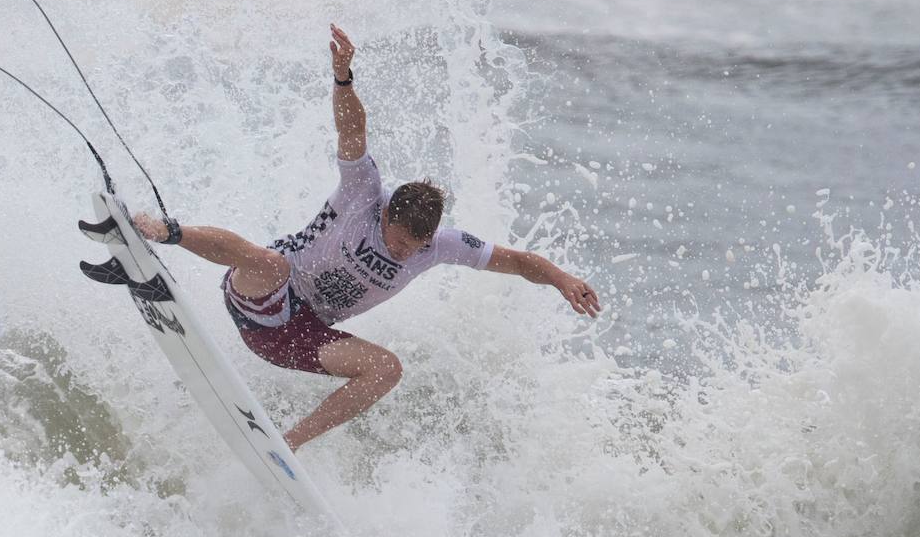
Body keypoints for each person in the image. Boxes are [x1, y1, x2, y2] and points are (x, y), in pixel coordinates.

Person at [135, 24, 600, 451]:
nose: (403, 253)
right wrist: (343, 78)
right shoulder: (364, 192)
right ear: (386, 214)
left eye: (413, 248)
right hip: (262, 296)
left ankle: (287, 443)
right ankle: (163, 230)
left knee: (386, 369)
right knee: (271, 262)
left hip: (300, 336)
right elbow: (353, 128)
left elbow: (517, 261)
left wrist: (562, 279)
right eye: (396, 242)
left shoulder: (441, 244)